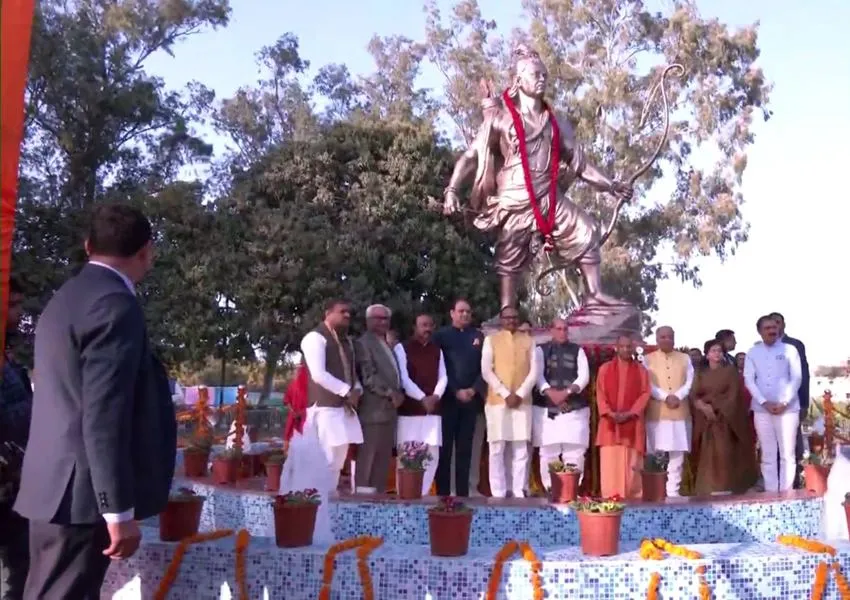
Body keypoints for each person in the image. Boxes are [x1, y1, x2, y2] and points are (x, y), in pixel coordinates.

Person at [15, 204, 177, 599]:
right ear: (146, 252)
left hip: (51, 488)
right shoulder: (115, 305)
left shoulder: (65, 298)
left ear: (88, 245)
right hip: (81, 496)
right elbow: (104, 413)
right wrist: (117, 510)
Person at [300, 299, 364, 490]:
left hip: (344, 409)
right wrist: (347, 391)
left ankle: (328, 498)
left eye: (349, 312)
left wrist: (357, 389)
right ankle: (316, 500)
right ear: (328, 313)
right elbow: (318, 374)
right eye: (342, 311)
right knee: (325, 459)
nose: (347, 315)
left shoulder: (346, 342)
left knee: (337, 461)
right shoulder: (315, 338)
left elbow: (351, 373)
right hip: (325, 409)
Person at [480, 306, 539, 498]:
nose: (511, 321)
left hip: (523, 402)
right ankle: (498, 491)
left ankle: (518, 490)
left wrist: (520, 394)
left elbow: (534, 372)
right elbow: (486, 371)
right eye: (507, 317)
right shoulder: (491, 340)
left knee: (520, 447)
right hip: (497, 402)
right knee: (497, 447)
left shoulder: (529, 341)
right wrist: (505, 394)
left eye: (514, 317)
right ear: (501, 320)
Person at [690, 339, 758, 495]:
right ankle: (706, 488)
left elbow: (733, 396)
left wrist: (715, 409)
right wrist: (702, 406)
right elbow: (694, 394)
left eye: (719, 351)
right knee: (706, 455)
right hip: (705, 420)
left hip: (725, 420)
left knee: (724, 453)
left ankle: (727, 486)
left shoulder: (730, 372)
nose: (717, 354)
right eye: (713, 351)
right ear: (707, 354)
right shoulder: (700, 373)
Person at [433, 299, 485, 497]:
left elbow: (485, 366)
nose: (465, 314)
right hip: (448, 399)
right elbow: (439, 366)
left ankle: (463, 494)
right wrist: (455, 390)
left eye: (468, 312)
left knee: (465, 449)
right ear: (452, 313)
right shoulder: (441, 336)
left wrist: (473, 389)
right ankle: (444, 494)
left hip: (471, 401)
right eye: (461, 311)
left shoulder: (478, 336)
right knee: (445, 449)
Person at [744, 315, 802, 492]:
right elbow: (749, 379)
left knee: (787, 453)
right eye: (767, 328)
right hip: (762, 410)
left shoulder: (790, 350)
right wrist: (764, 402)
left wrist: (785, 402)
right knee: (768, 454)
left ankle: (786, 492)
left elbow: (797, 378)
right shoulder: (753, 352)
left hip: (788, 409)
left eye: (774, 327)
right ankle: (770, 492)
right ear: (760, 331)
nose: (772, 331)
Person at [0, 276, 32, 600]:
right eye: (11, 305)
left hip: (14, 491)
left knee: (24, 574)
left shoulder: (9, 360)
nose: (18, 313)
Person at [533, 318, 590, 491]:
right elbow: (537, 375)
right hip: (546, 408)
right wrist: (551, 393)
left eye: (565, 329)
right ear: (551, 330)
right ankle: (552, 489)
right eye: (558, 329)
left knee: (574, 452)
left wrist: (566, 393)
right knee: (548, 452)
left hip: (574, 408)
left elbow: (583, 376)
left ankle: (571, 489)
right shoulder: (540, 350)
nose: (562, 332)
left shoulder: (578, 350)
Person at [393, 313, 447, 495]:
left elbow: (443, 376)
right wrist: (422, 398)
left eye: (430, 325)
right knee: (407, 455)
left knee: (431, 454)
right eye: (423, 325)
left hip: (432, 411)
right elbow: (403, 378)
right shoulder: (402, 348)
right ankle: (405, 494)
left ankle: (422, 493)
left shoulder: (436, 350)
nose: (427, 329)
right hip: (410, 411)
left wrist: (435, 396)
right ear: (414, 328)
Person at [354, 304, 403, 493]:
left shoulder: (386, 344)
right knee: (368, 460)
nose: (383, 322)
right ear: (368, 320)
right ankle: (362, 501)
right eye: (378, 318)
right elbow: (369, 376)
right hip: (373, 412)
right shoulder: (363, 343)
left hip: (389, 412)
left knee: (382, 464)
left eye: (386, 318)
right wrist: (391, 393)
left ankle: (378, 500)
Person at [595, 335, 651, 498]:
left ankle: (633, 498)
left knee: (632, 465)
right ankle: (610, 498)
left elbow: (645, 393)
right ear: (616, 347)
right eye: (623, 346)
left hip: (633, 423)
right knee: (610, 464)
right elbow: (600, 394)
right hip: (609, 425)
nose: (626, 350)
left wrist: (631, 413)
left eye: (629, 347)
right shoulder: (605, 369)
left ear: (633, 348)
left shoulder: (641, 371)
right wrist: (610, 413)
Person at [644, 326, 694, 497]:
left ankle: (673, 492)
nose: (666, 340)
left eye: (670, 337)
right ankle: (655, 491)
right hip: (657, 413)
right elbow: (647, 384)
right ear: (657, 339)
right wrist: (666, 397)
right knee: (656, 452)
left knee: (677, 454)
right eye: (663, 337)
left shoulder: (685, 358)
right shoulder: (647, 359)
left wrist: (678, 396)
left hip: (680, 412)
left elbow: (689, 381)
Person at [769, 312, 810, 488]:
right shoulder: (762, 347)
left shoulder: (795, 345)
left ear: (783, 324)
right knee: (772, 446)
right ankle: (773, 485)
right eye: (771, 324)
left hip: (792, 402)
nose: (775, 326)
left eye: (778, 322)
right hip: (769, 405)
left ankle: (793, 483)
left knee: (792, 443)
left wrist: (804, 402)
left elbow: (803, 375)